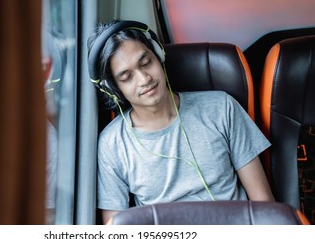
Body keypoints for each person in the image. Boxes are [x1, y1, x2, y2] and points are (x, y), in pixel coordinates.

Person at [87, 19, 275, 225]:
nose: (144, 79)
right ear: (114, 89)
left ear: (159, 56)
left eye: (146, 62)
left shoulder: (222, 108)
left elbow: (264, 204)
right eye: (127, 77)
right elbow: (115, 230)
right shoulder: (111, 144)